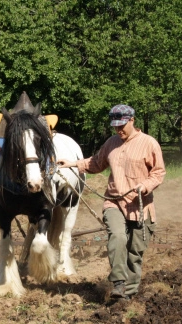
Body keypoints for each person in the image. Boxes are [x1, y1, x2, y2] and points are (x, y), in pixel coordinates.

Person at [58, 104, 166, 300]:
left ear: (132, 120)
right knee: (117, 236)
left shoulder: (149, 143)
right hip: (114, 202)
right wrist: (72, 164)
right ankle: (118, 283)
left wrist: (145, 186)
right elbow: (97, 162)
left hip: (139, 205)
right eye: (115, 126)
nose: (119, 130)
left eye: (122, 125)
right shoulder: (111, 143)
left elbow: (158, 173)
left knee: (135, 252)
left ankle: (129, 294)